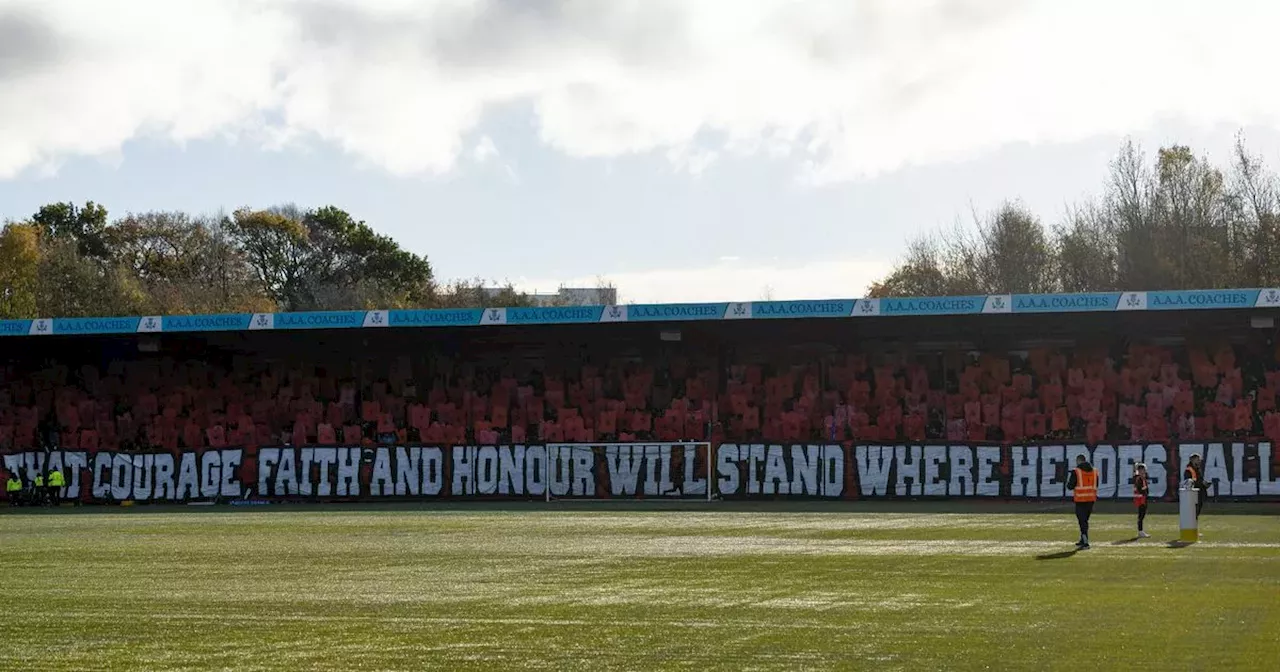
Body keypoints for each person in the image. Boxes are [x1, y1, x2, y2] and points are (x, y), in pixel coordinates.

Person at [1066, 454, 1098, 549]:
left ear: (1078, 461)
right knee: (1085, 521)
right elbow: (1097, 484)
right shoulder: (1095, 471)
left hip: (1080, 500)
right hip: (1091, 500)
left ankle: (1085, 542)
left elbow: (1070, 486)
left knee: (1082, 521)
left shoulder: (1076, 472)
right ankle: (1082, 539)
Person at [1184, 453, 1208, 519]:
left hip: (1199, 492)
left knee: (1197, 510)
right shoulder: (1189, 470)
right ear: (1193, 460)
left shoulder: (1197, 469)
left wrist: (1205, 484)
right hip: (1193, 493)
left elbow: (1199, 479)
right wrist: (1201, 483)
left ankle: (1194, 523)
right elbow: (1188, 482)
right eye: (1198, 459)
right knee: (1193, 511)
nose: (1199, 461)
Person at [1133, 463, 1150, 538]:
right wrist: (1144, 489)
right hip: (1141, 499)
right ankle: (1140, 531)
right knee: (1141, 516)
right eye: (1141, 470)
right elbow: (1140, 489)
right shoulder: (1139, 479)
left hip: (1143, 499)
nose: (1143, 471)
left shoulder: (1143, 478)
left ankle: (1141, 531)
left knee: (1142, 515)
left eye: (1143, 470)